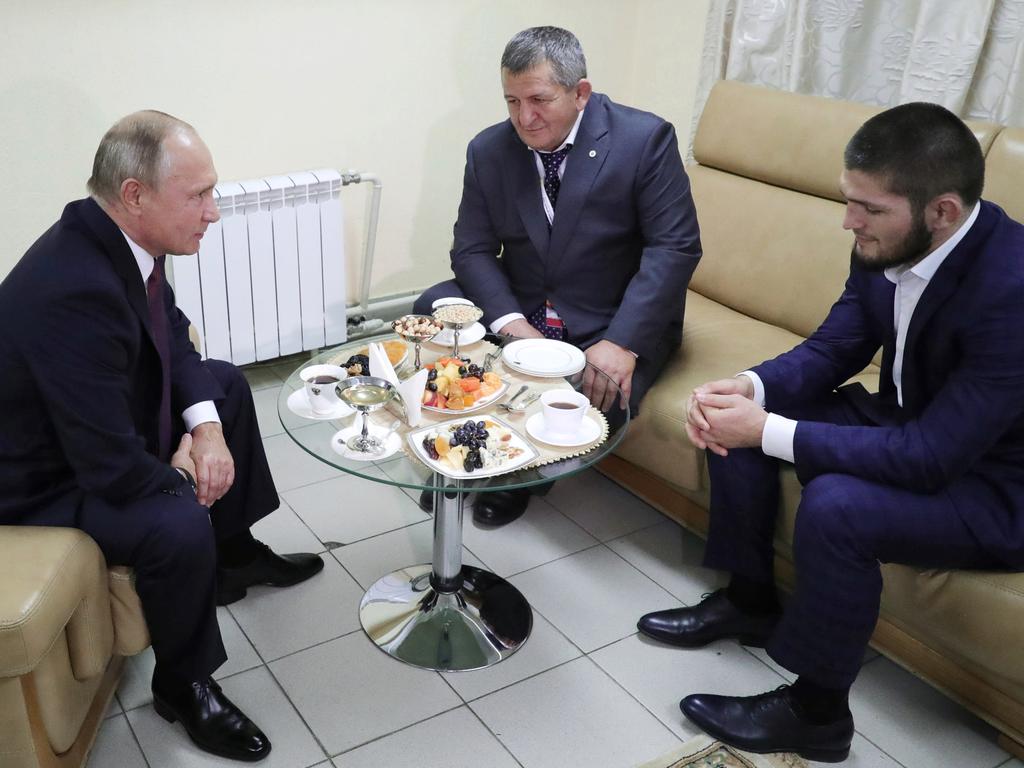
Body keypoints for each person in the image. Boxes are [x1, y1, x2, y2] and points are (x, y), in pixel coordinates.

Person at [636, 101, 1024, 763]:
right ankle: (752, 599)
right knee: (739, 422)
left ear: (944, 212)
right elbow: (835, 347)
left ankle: (818, 713)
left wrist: (771, 430)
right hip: (910, 420)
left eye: (868, 209)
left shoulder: (1012, 290)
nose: (849, 222)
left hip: (996, 482)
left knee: (837, 507)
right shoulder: (887, 239)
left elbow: (932, 458)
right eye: (849, 201)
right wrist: (749, 391)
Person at [0, 111, 326, 762]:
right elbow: (111, 468)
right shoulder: (71, 287)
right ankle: (186, 685)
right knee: (175, 520)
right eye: (199, 195)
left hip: (97, 432)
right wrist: (184, 475)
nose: (213, 212)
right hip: (41, 478)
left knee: (224, 388)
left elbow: (171, 332)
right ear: (135, 194)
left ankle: (234, 555)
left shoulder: (119, 240)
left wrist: (203, 431)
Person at [413, 26, 702, 525]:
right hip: (524, 307)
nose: (525, 117)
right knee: (433, 309)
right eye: (512, 101)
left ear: (580, 92)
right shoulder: (489, 150)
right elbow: (473, 248)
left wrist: (624, 343)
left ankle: (518, 474)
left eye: (539, 100)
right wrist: (513, 327)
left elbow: (674, 248)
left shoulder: (643, 140)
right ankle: (468, 449)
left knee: (598, 392)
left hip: (608, 318)